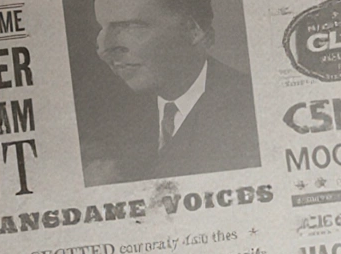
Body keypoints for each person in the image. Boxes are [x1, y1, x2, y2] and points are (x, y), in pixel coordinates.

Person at [85, 0, 259, 184]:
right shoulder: (107, 125)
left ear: (193, 30)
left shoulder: (253, 107)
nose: (104, 49)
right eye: (101, 28)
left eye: (131, 26)